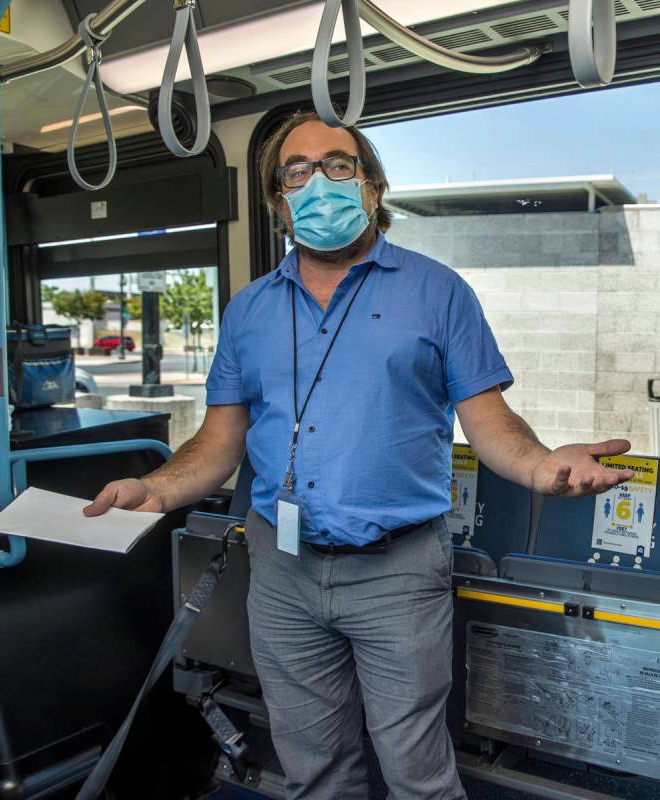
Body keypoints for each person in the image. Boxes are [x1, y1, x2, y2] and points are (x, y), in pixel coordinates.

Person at [85, 111, 634, 800]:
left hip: (397, 571)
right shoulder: (248, 310)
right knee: (313, 771)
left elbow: (493, 427)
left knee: (417, 775)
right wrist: (155, 490)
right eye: (297, 171)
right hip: (281, 570)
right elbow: (217, 441)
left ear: (371, 187)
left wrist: (542, 467)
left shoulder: (437, 293)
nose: (318, 182)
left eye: (337, 165)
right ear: (279, 201)